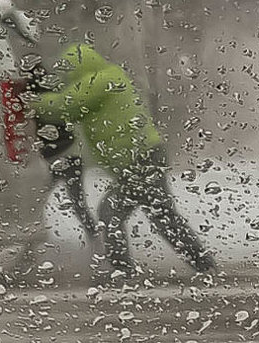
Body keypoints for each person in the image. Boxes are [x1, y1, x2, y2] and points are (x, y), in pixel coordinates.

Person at [31, 43, 216, 280]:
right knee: (160, 215)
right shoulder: (109, 76)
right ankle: (202, 263)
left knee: (115, 212)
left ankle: (126, 270)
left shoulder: (100, 81)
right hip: (143, 157)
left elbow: (64, 105)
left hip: (140, 159)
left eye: (68, 72)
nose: (66, 78)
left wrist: (30, 102)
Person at [22, 59, 99, 247]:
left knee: (36, 203)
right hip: (71, 155)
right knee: (78, 203)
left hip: (51, 158)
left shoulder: (30, 95)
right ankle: (96, 240)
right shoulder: (54, 90)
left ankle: (29, 248)